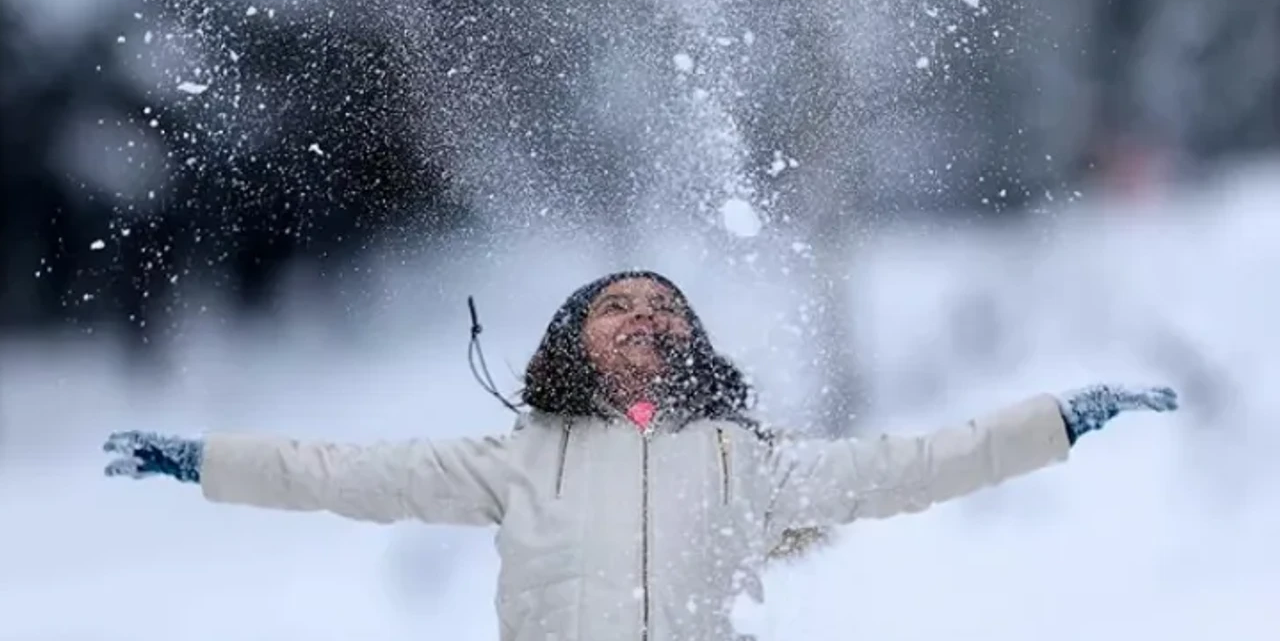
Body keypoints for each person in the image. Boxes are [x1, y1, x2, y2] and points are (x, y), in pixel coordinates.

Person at [103, 270, 1177, 641]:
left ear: (691, 342)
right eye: (614, 305)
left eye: (664, 307)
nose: (643, 316)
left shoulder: (747, 463)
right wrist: (203, 461)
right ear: (571, 341)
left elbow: (917, 464)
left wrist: (1057, 420)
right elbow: (340, 472)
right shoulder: (518, 460)